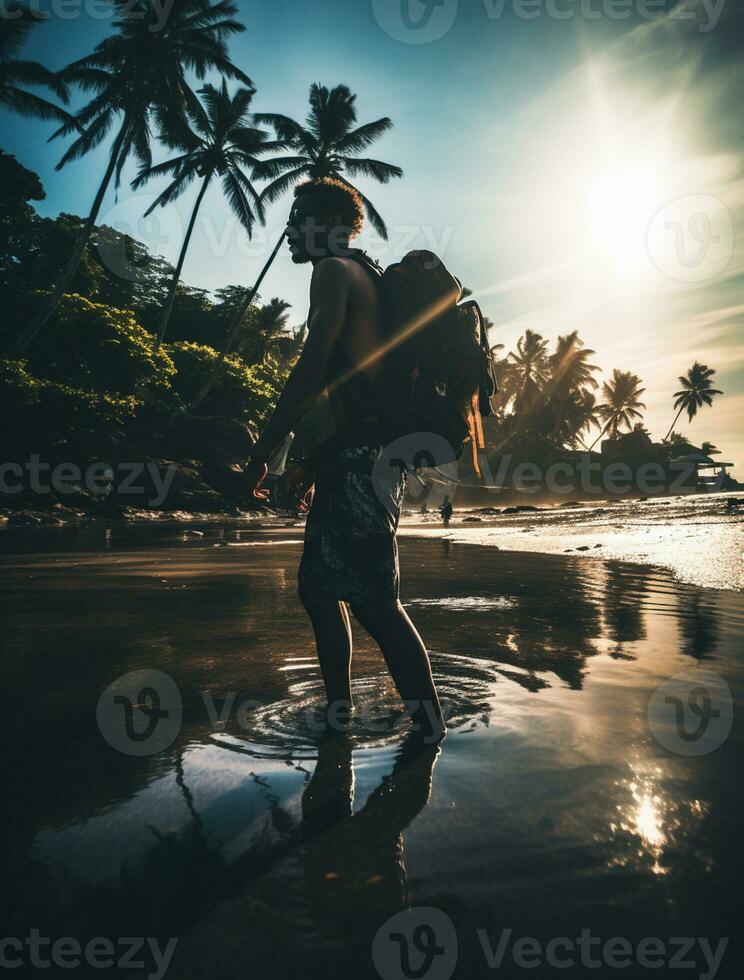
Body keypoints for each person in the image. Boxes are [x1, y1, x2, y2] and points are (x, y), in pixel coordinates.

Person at [243, 177, 445, 740]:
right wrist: (315, 460)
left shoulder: (332, 271)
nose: (289, 229)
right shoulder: (367, 276)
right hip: (360, 455)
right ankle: (338, 718)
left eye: (299, 217)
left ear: (331, 225)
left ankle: (429, 732)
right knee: (319, 589)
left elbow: (313, 367)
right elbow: (359, 388)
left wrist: (265, 450)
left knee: (377, 604)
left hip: (363, 461)